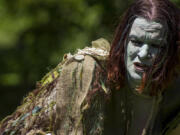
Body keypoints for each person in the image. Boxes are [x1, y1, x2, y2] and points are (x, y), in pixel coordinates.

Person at [0, 0, 180, 134]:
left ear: (171, 51)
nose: (143, 54)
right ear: (123, 42)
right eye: (136, 42)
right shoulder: (89, 71)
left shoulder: (172, 92)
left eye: (156, 46)